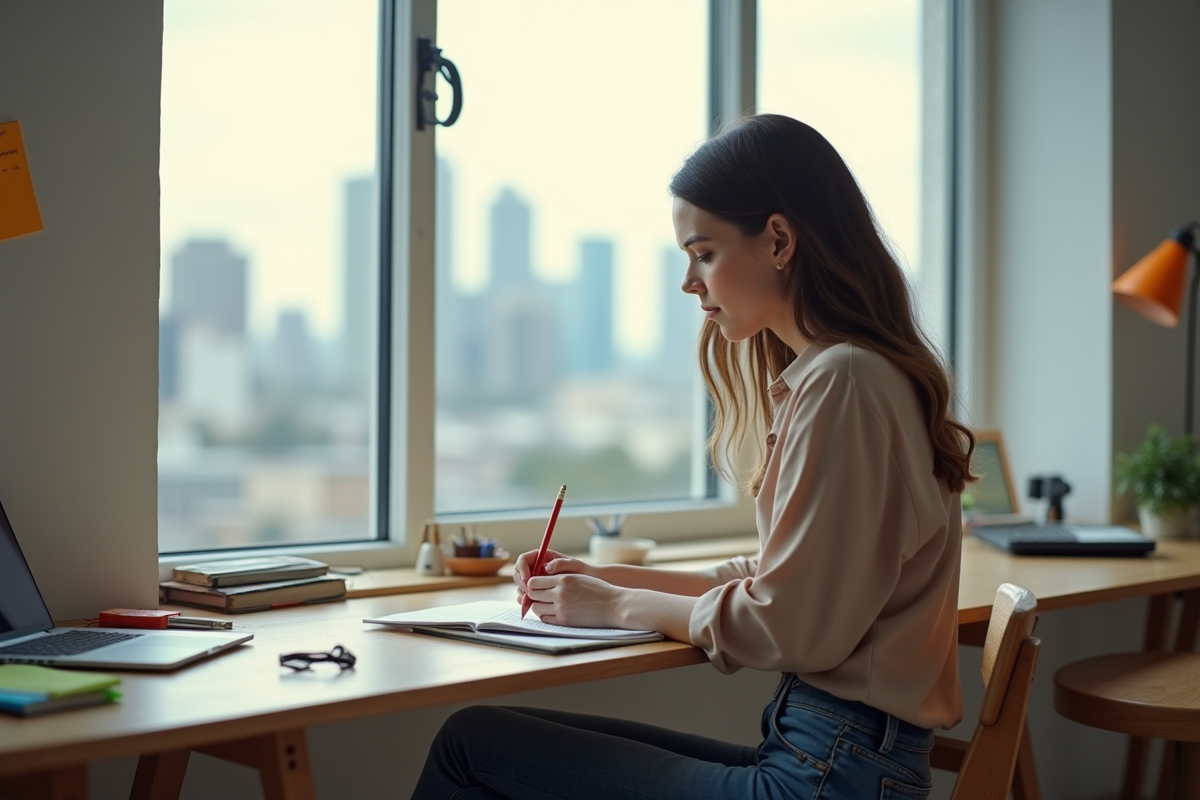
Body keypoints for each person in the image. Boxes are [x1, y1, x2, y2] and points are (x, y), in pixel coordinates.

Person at [411, 113, 975, 800]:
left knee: (472, 744)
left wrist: (620, 606)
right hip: (831, 760)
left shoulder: (844, 381)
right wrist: (598, 584)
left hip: (826, 778)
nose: (690, 281)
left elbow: (790, 626)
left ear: (778, 241)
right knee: (483, 734)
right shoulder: (849, 373)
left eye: (703, 253)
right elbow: (773, 579)